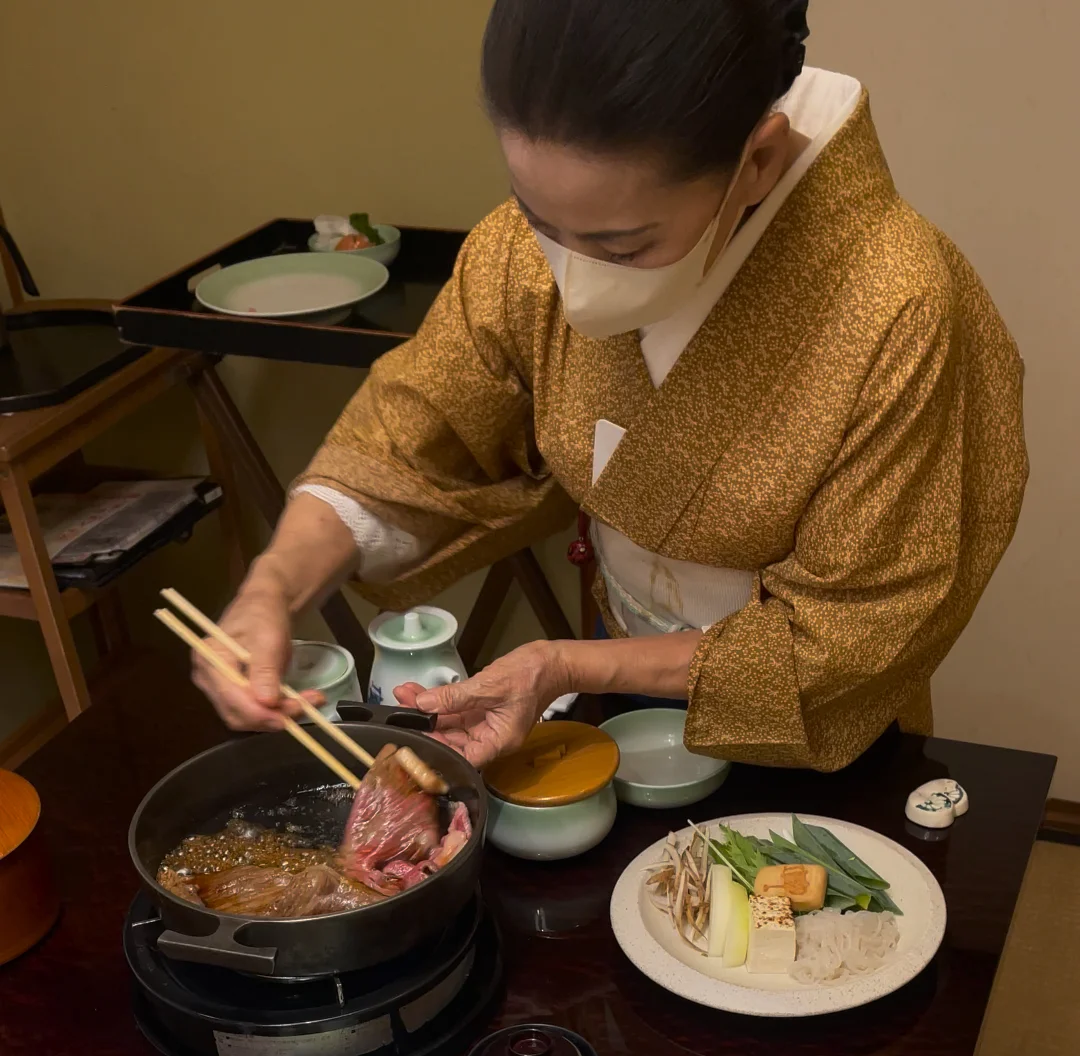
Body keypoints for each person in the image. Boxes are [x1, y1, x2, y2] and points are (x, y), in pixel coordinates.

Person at [195, 0, 1027, 772]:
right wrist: (274, 587)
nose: (571, 272)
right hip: (617, 675)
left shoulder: (899, 304)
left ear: (759, 161)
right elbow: (411, 436)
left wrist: (568, 664)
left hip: (810, 727)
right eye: (536, 218)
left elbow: (854, 633)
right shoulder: (525, 251)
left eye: (623, 247)